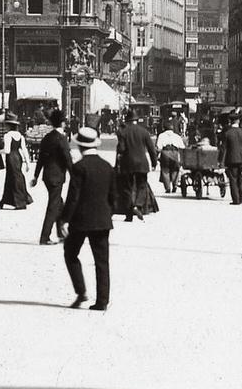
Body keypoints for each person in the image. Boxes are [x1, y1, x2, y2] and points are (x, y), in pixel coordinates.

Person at [64, 125, 114, 310]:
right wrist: (108, 213)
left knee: (70, 253)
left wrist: (64, 219)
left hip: (81, 220)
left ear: (80, 146)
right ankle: (102, 301)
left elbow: (73, 197)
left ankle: (81, 292)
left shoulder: (79, 167)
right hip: (102, 220)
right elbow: (113, 196)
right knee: (102, 261)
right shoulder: (107, 166)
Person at [33, 108, 73, 244]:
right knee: (53, 206)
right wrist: (75, 175)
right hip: (57, 177)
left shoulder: (47, 138)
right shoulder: (61, 139)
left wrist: (36, 176)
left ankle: (61, 233)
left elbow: (41, 158)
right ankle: (45, 237)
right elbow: (67, 159)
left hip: (47, 176)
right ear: (62, 123)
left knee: (58, 203)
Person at [115, 114, 158, 220]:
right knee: (142, 185)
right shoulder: (144, 132)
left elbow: (121, 149)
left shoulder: (123, 132)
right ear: (136, 121)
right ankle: (138, 206)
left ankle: (129, 215)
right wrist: (154, 163)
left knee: (127, 188)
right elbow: (151, 149)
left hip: (127, 163)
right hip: (142, 163)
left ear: (127, 121)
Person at [0, 115, 33, 210]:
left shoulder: (7, 135)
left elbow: (7, 150)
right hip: (18, 157)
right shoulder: (20, 136)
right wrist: (28, 163)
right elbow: (24, 149)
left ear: (9, 125)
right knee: (13, 177)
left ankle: (20, 202)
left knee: (13, 178)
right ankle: (5, 200)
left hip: (11, 158)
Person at [219, 115, 242, 205]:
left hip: (231, 160)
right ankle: (241, 196)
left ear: (230, 121)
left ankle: (236, 199)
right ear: (238, 122)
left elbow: (223, 148)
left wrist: (220, 161)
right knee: (240, 177)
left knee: (233, 179)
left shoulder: (228, 133)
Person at [155, 121, 184, 195]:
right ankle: (175, 185)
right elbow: (182, 147)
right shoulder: (177, 136)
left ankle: (168, 188)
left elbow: (159, 147)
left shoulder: (161, 135)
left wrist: (157, 156)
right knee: (175, 169)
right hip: (175, 153)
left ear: (164, 128)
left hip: (165, 153)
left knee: (165, 170)